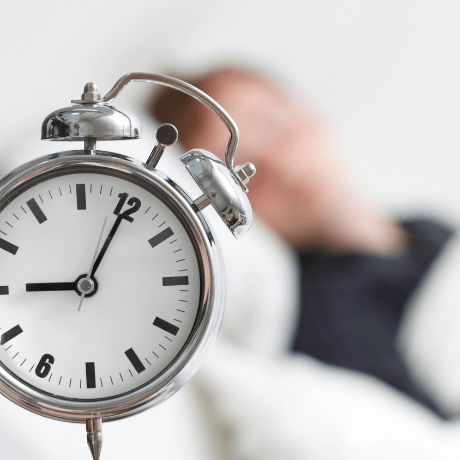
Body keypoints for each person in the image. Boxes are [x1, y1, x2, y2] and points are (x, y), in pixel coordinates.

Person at [148, 66, 454, 417]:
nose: (285, 167)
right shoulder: (328, 323)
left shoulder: (429, 230)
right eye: (247, 173)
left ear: (311, 115)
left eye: (274, 127)